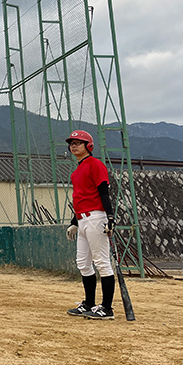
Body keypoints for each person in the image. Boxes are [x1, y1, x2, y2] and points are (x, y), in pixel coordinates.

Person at [64, 130, 116, 320]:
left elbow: (103, 192)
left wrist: (110, 217)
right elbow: (80, 198)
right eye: (72, 143)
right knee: (83, 264)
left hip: (96, 217)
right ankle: (89, 303)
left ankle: (107, 309)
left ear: (89, 146)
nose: (74, 145)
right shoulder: (76, 171)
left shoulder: (95, 164)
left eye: (78, 142)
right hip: (83, 219)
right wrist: (74, 221)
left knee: (102, 262)